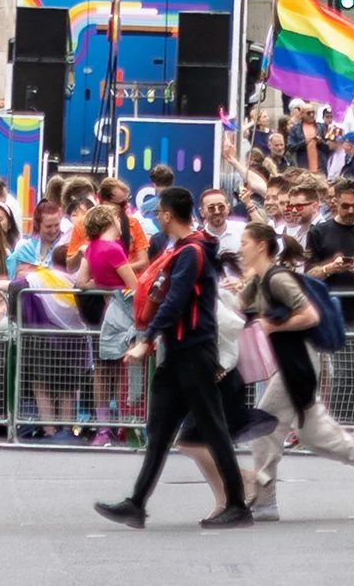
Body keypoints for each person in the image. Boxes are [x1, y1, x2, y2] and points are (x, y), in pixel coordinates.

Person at [94, 182, 252, 529]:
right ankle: (136, 503)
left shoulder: (191, 252)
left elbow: (175, 302)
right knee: (161, 430)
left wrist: (146, 339)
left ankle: (238, 504)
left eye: (160, 214)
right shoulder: (185, 249)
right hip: (180, 350)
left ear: (167, 215)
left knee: (213, 428)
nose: (159, 220)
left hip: (194, 350)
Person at [235, 220, 354, 518]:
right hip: (287, 362)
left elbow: (310, 315)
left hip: (300, 361)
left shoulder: (278, 279)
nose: (239, 248)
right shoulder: (259, 279)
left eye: (244, 242)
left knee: (265, 426)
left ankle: (265, 501)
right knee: (313, 435)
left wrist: (269, 324)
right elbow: (235, 306)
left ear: (260, 245)